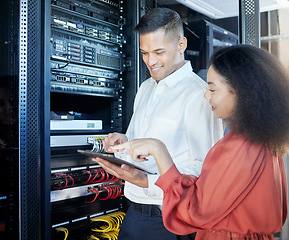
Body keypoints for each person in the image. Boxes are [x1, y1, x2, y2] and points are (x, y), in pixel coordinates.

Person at [97, 44, 289, 240]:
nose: (206, 95)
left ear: (241, 93)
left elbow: (194, 211)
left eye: (212, 89)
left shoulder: (236, 147)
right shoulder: (263, 140)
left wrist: (158, 150)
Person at [95, 7, 223, 240]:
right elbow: (137, 145)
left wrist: (147, 181)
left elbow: (205, 170)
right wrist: (123, 143)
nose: (150, 61)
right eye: (145, 52)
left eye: (159, 52)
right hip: (134, 213)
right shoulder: (145, 89)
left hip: (170, 220)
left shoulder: (198, 95)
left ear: (181, 45)